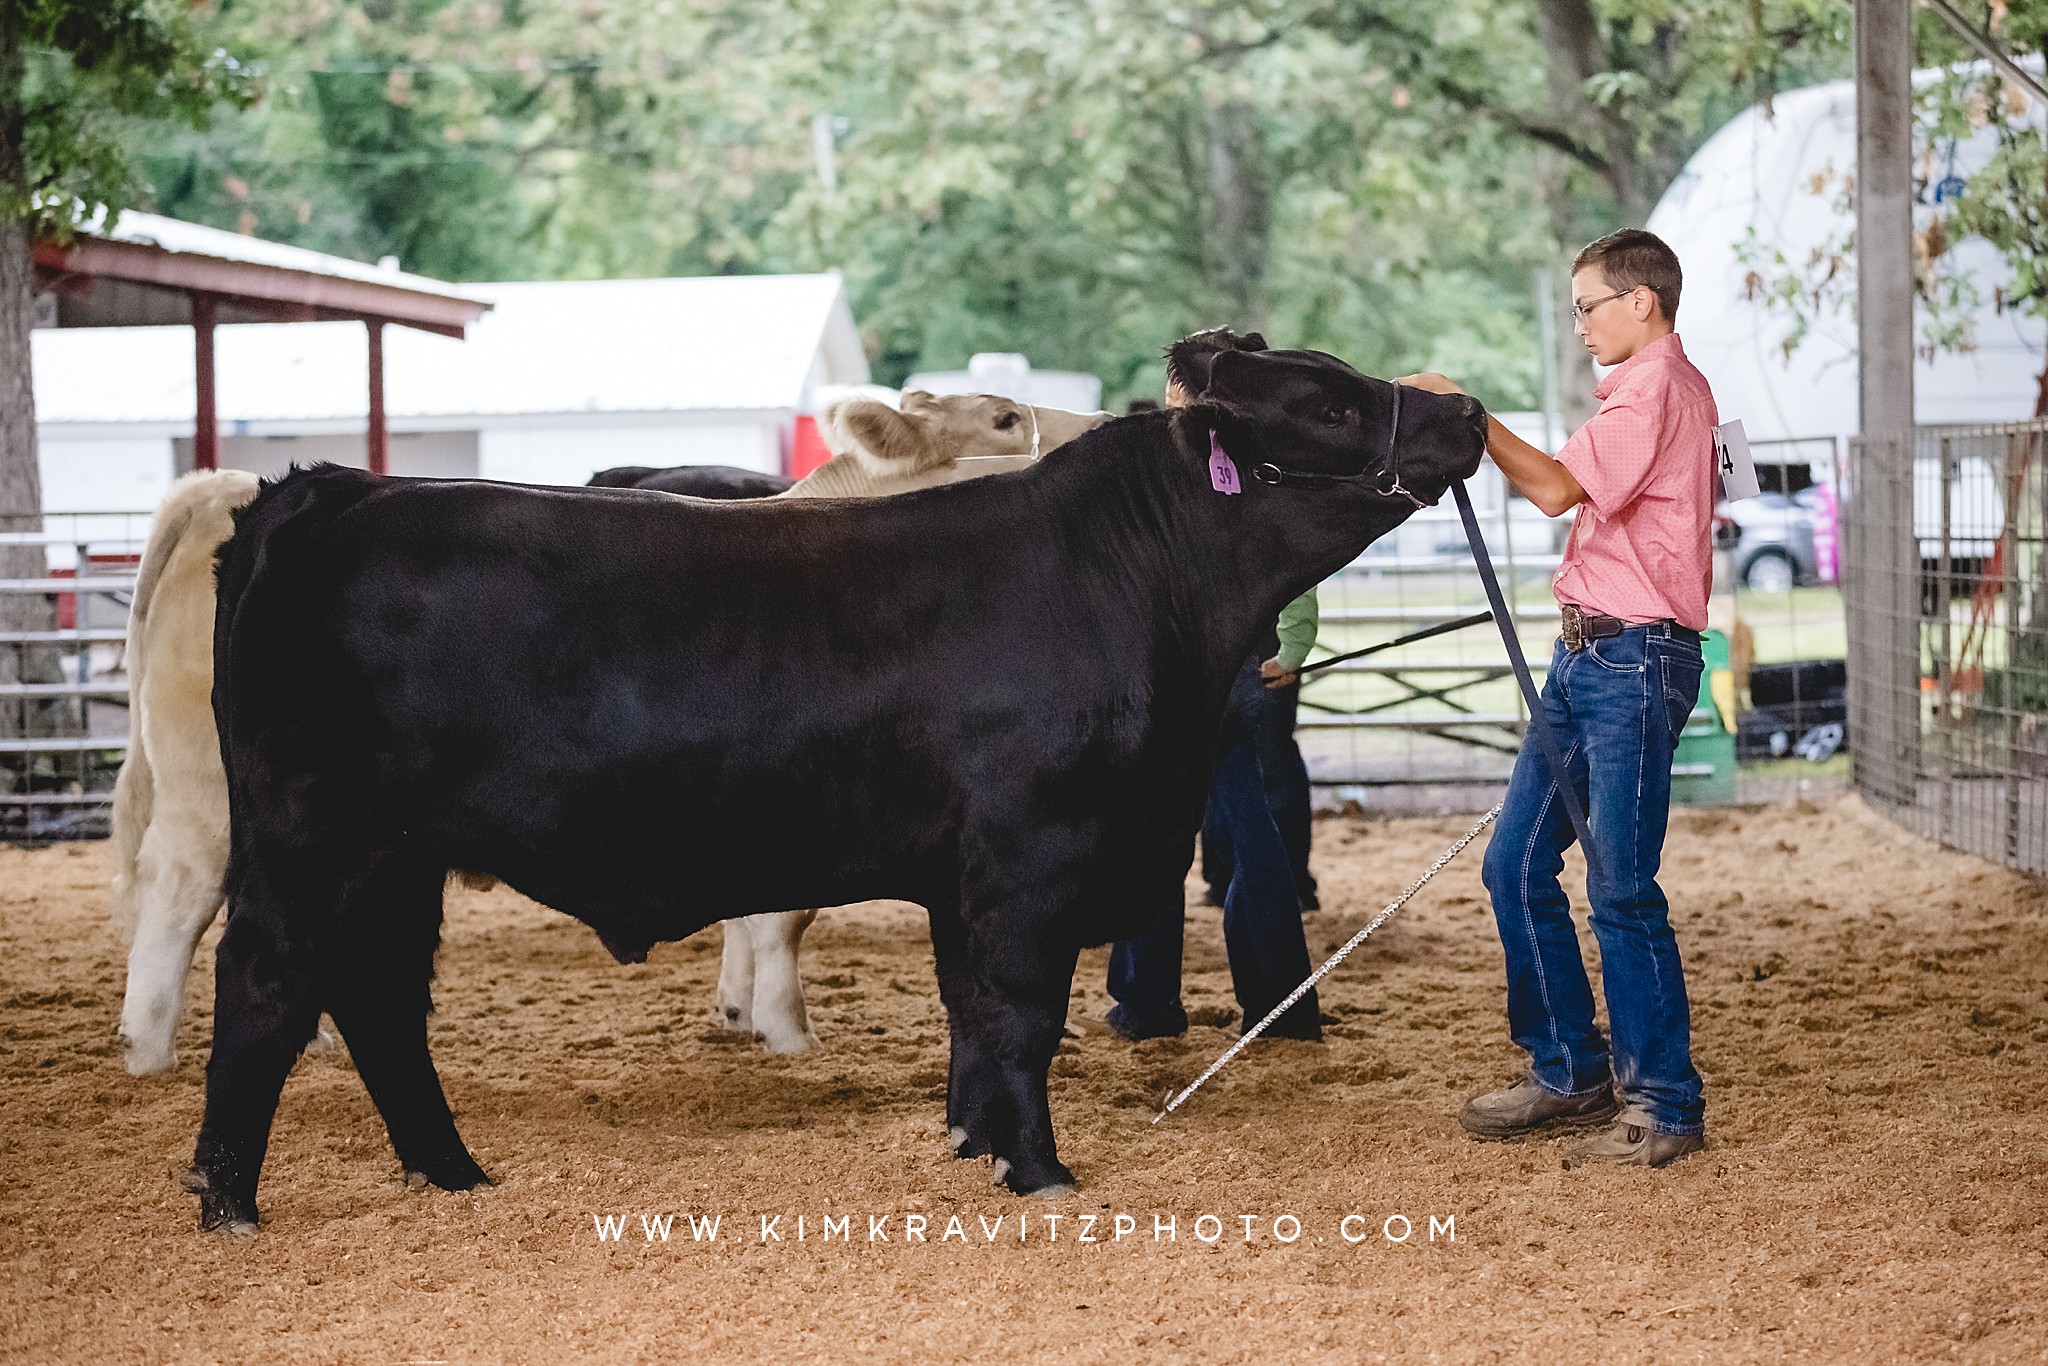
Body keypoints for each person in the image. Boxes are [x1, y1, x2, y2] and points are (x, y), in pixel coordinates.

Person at [1399, 228, 1715, 1169]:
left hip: (1632, 657)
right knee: (1516, 866)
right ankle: (1570, 1067)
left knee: (1620, 888)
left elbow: (1551, 489)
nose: (1579, 323)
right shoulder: (1649, 389)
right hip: (1591, 656)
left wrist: (1470, 415)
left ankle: (1665, 1104)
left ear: (1641, 302)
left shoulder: (1656, 387)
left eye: (1588, 304)